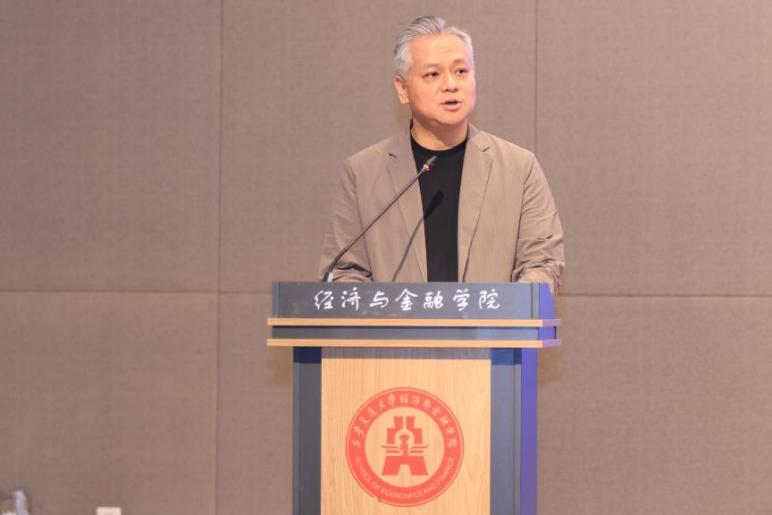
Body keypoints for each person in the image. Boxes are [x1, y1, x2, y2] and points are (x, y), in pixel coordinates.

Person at [319, 16, 564, 293]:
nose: (450, 84)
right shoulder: (363, 173)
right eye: (433, 74)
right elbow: (344, 272)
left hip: (493, 322)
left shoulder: (519, 168)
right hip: (395, 323)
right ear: (402, 88)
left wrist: (503, 310)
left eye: (461, 71)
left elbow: (544, 264)